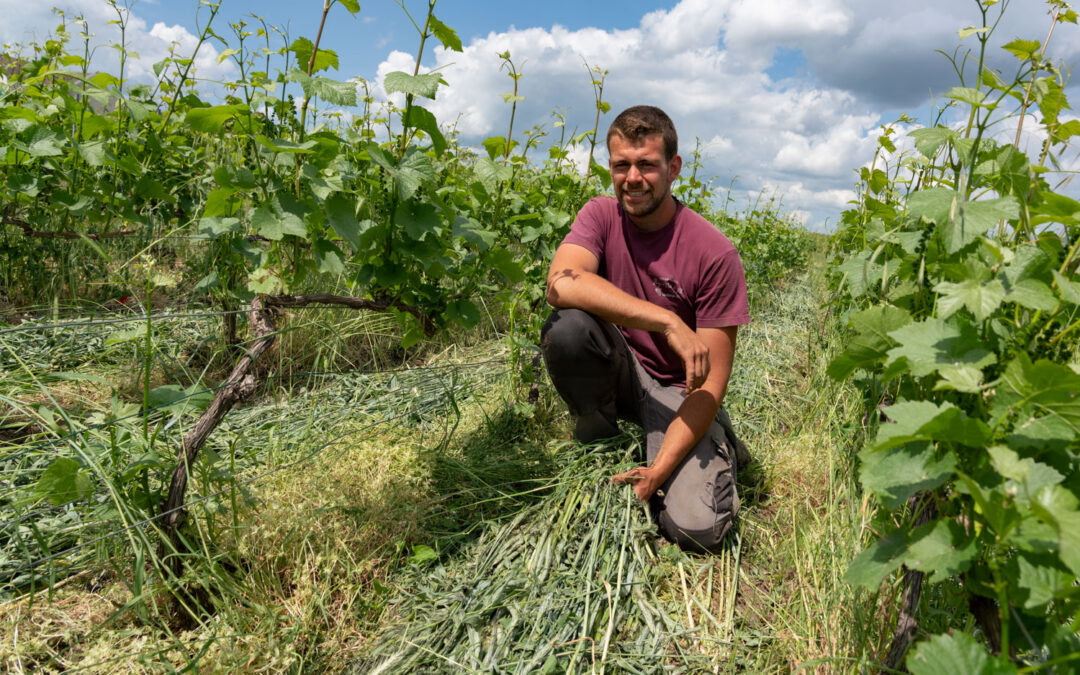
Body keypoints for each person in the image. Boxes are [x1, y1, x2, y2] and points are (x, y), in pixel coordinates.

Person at [541, 105, 750, 553]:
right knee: (568, 330)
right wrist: (666, 319)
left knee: (697, 531)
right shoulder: (600, 215)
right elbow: (560, 283)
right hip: (623, 368)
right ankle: (600, 436)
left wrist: (657, 474)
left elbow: (709, 386)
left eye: (647, 165)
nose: (632, 178)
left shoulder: (714, 253)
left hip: (681, 391)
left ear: (673, 168)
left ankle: (715, 447)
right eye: (621, 165)